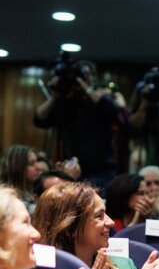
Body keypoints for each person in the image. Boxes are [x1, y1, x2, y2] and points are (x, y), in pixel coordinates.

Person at [33, 56, 127, 189]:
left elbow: (114, 111)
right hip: (73, 169)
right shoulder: (67, 102)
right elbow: (39, 120)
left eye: (85, 74)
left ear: (93, 77)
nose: (80, 79)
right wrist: (56, 95)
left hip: (102, 170)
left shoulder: (101, 97)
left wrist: (86, 89)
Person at [0, 145, 39, 213]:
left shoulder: (37, 190)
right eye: (31, 163)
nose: (38, 167)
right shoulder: (10, 201)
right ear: (17, 168)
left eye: (36, 162)